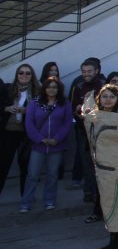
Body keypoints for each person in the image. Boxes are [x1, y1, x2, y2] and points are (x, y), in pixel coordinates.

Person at [88, 84, 118, 249]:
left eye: (111, 97)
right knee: (108, 203)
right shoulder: (95, 116)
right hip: (103, 166)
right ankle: (113, 239)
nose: (108, 100)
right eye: (104, 96)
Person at [18, 76, 70, 213]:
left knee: (52, 174)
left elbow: (67, 123)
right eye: (49, 87)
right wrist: (39, 139)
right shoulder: (35, 103)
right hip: (38, 146)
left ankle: (50, 200)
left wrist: (57, 139)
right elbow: (29, 123)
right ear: (44, 88)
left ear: (58, 89)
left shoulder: (64, 103)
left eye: (54, 87)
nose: (51, 89)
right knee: (32, 175)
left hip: (56, 145)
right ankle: (26, 203)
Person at [1, 63, 40, 197]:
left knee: (26, 167)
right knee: (3, 165)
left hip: (27, 133)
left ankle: (26, 198)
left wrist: (28, 111)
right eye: (21, 73)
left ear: (32, 76)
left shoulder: (38, 91)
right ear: (17, 75)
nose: (24, 75)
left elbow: (43, 111)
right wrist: (6, 108)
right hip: (8, 132)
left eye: (28, 73)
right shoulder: (7, 89)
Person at [70, 59, 104, 201]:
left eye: (89, 71)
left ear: (96, 71)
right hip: (83, 131)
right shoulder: (78, 86)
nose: (86, 74)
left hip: (102, 131)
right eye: (84, 72)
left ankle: (101, 193)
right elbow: (72, 108)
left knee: (102, 164)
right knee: (87, 164)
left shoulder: (103, 86)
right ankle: (89, 193)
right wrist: (78, 111)